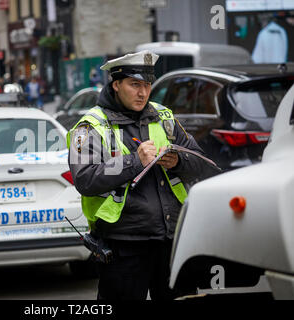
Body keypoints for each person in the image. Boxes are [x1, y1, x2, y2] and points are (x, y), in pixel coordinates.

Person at [67, 50, 215, 300]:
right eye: (135, 84)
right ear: (116, 84)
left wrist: (178, 161)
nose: (143, 93)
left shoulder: (164, 116)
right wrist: (135, 161)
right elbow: (85, 179)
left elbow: (203, 164)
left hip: (171, 238)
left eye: (147, 85)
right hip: (123, 245)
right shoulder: (89, 126)